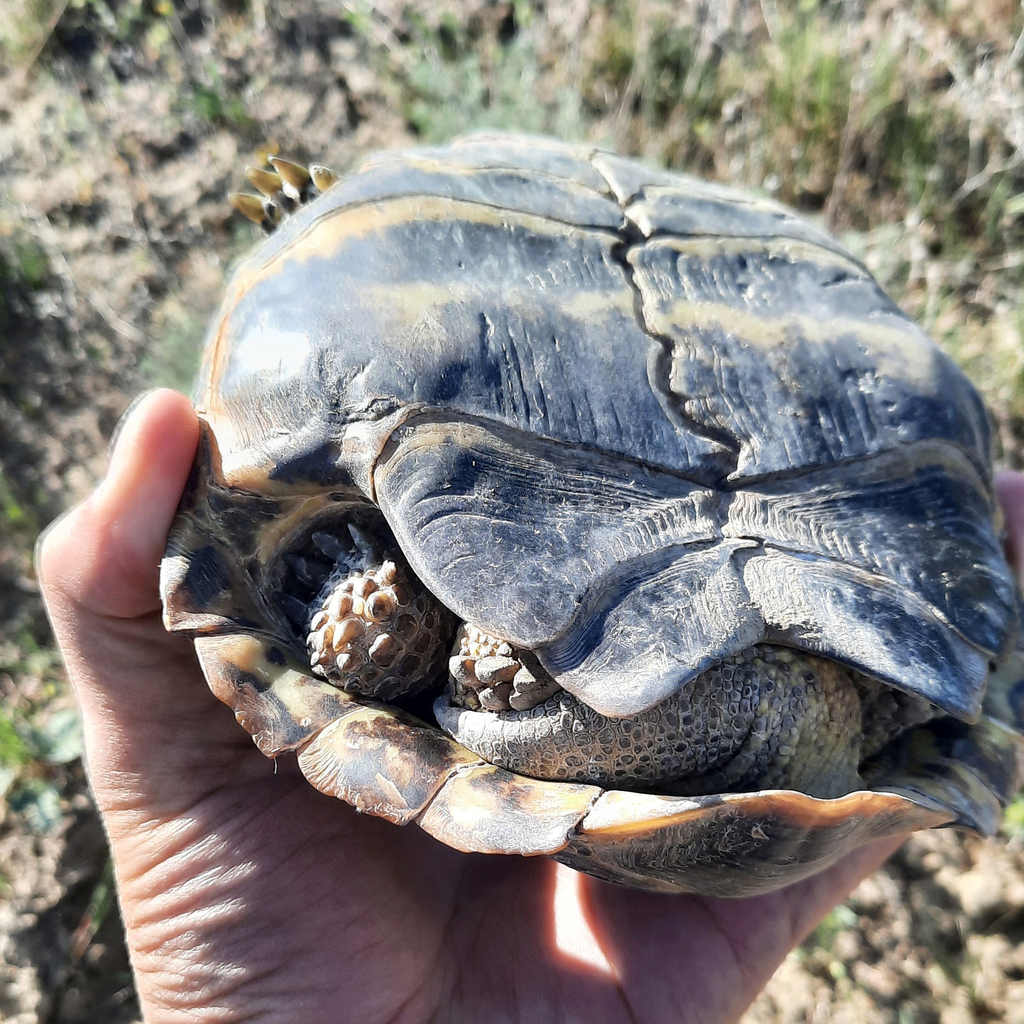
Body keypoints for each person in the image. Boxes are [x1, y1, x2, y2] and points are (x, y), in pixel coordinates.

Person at [37, 388, 1024, 1024]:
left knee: (393, 638)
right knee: (379, 627)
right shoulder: (444, 639)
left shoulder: (897, 687)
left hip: (852, 614)